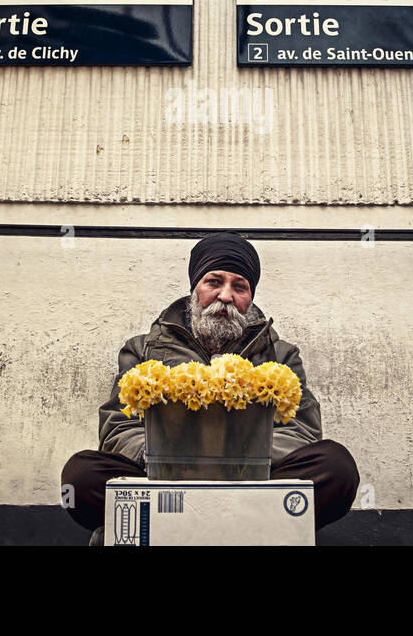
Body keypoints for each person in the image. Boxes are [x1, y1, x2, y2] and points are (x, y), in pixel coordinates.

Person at [61, 232, 360, 544]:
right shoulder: (142, 350)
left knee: (335, 468)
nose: (225, 296)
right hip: (165, 482)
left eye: (239, 287)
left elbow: (301, 429)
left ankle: (205, 528)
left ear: (250, 297)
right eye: (214, 282)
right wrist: (166, 457)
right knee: (81, 476)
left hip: (253, 482)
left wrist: (241, 459)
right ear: (196, 290)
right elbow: (117, 428)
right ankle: (243, 530)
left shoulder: (280, 354)